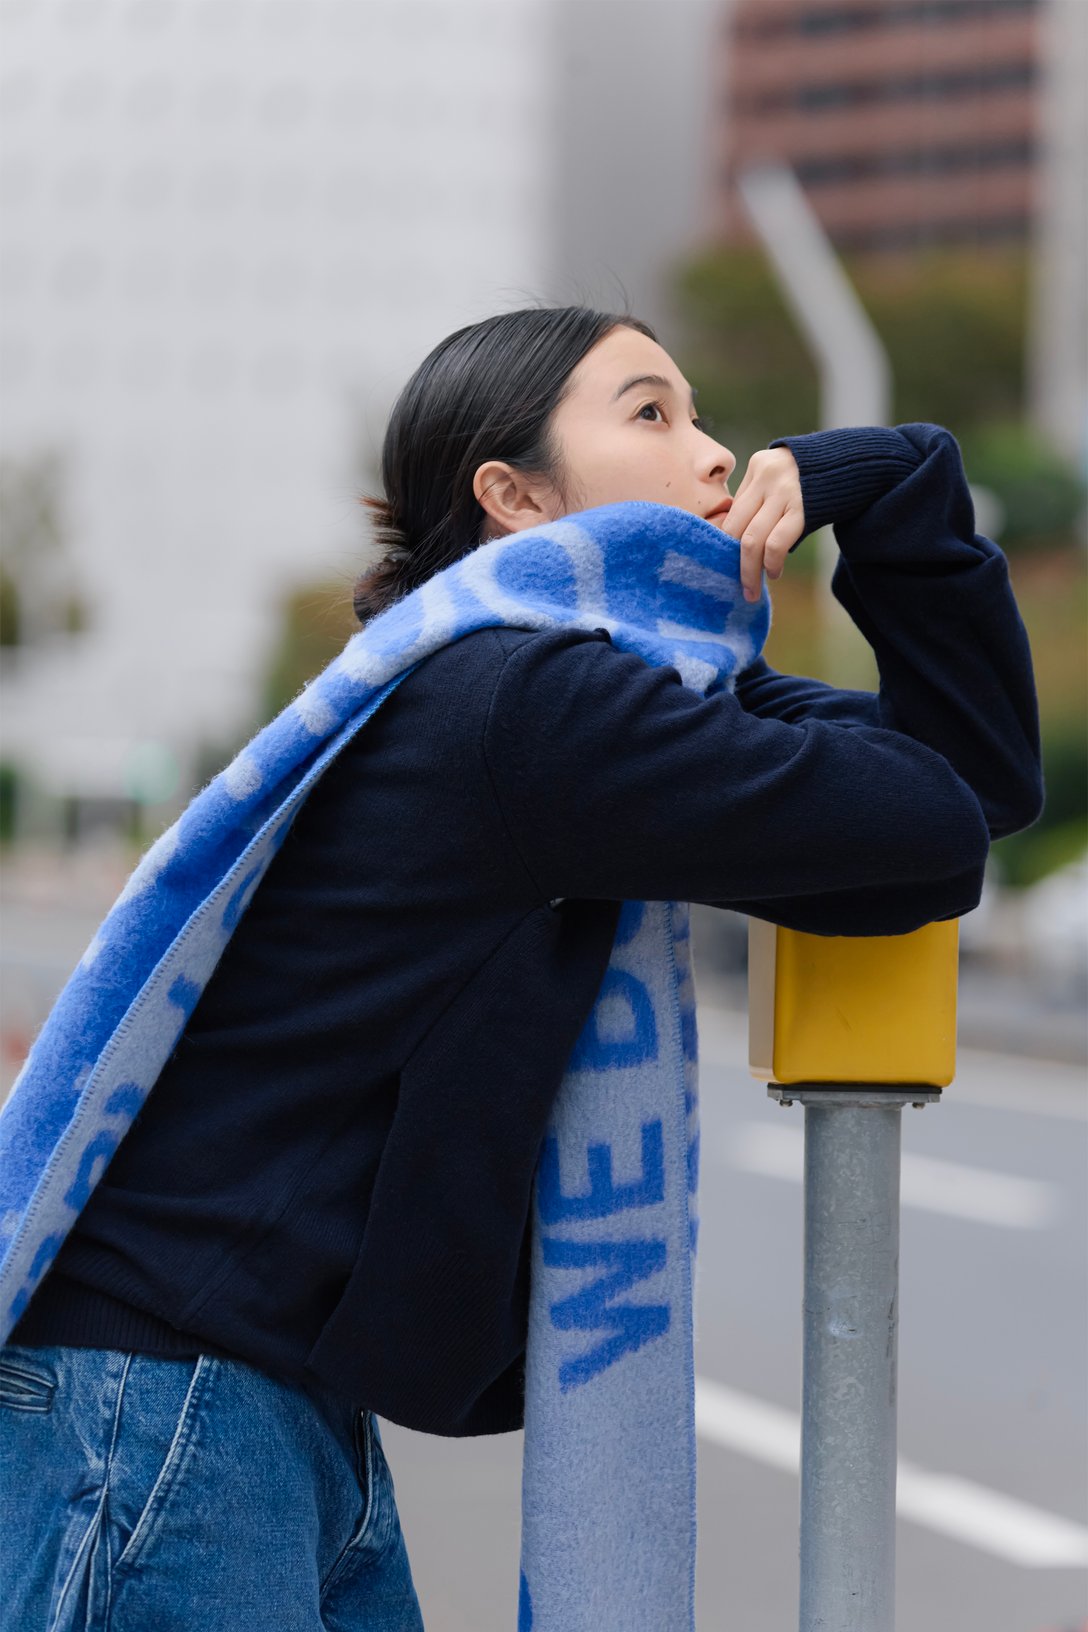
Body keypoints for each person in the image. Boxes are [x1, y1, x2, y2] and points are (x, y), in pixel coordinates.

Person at [0, 304, 1043, 1629]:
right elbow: (941, 822)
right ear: (514, 494)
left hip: (236, 1397)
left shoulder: (571, 685)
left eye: (701, 413)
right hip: (156, 1401)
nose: (718, 455)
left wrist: (896, 485)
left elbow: (972, 798)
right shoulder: (537, 709)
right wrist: (897, 494)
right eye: (652, 415)